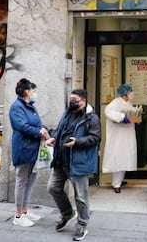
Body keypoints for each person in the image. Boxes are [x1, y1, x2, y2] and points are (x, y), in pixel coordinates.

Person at [47, 89, 101, 241]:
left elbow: (95, 137)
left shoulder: (91, 118)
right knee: (53, 187)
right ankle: (67, 212)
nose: (72, 102)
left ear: (83, 101)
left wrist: (78, 142)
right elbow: (60, 130)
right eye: (71, 99)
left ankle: (82, 224)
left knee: (81, 196)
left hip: (77, 162)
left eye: (75, 99)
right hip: (60, 160)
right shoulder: (67, 113)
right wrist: (54, 138)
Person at [9, 79, 49, 227]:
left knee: (30, 180)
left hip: (33, 148)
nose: (34, 94)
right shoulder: (17, 107)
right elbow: (21, 126)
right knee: (21, 181)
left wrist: (43, 130)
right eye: (33, 91)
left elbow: (37, 124)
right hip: (23, 148)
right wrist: (39, 132)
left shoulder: (30, 106)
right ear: (27, 91)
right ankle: (18, 215)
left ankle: (25, 210)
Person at [102, 84, 140, 193]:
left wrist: (136, 119)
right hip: (118, 136)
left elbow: (132, 114)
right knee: (118, 159)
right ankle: (116, 184)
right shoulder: (116, 102)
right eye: (131, 91)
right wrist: (122, 118)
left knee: (125, 158)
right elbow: (108, 111)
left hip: (126, 135)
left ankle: (119, 180)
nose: (132, 93)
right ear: (125, 93)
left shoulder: (128, 103)